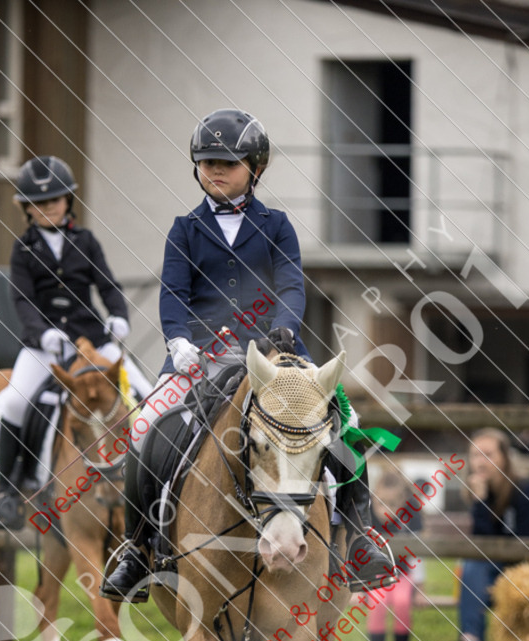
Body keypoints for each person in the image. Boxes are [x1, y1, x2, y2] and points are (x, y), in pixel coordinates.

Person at [101, 109, 394, 602]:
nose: (215, 170)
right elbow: (173, 294)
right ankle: (137, 547)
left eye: (228, 162)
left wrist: (284, 327)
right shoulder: (185, 229)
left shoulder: (277, 226)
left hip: (273, 354)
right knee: (145, 425)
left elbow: (292, 286)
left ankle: (361, 538)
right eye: (207, 162)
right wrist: (178, 341)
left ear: (256, 168)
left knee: (346, 423)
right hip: (199, 357)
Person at [0, 155, 149, 530]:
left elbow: (107, 285)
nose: (48, 207)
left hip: (92, 338)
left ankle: (150, 475)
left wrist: (119, 316)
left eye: (55, 200)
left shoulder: (86, 241)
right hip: (43, 345)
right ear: (27, 208)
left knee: (147, 394)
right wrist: (43, 333)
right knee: (15, 402)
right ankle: (9, 491)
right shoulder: (23, 249)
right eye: (39, 202)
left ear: (68, 200)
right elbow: (22, 300)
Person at [441, 428, 529, 641]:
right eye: (475, 455)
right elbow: (481, 544)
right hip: (493, 572)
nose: (480, 462)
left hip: (523, 571)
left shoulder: (526, 490)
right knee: (473, 564)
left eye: (488, 454)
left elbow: (525, 542)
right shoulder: (482, 493)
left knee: (477, 566)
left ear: (504, 457)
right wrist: (480, 502)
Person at [366, 469, 425, 641]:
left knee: (401, 602)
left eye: (392, 504)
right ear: (374, 499)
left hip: (402, 574)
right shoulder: (368, 516)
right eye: (381, 503)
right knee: (377, 602)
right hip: (375, 575)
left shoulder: (410, 516)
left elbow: (417, 555)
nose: (386, 510)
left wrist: (420, 587)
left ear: (402, 502)